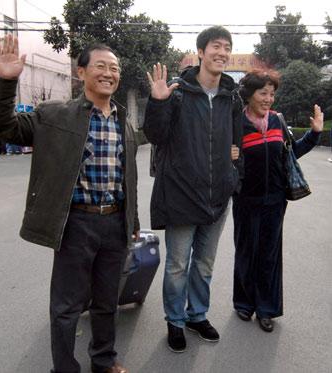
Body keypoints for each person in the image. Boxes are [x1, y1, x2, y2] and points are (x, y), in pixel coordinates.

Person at [0, 34, 140, 373]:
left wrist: (133, 224)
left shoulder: (123, 122)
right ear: (80, 72)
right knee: (66, 307)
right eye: (100, 66)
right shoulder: (54, 115)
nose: (109, 73)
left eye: (114, 68)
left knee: (106, 302)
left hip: (114, 223)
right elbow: (4, 127)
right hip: (76, 223)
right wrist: (7, 82)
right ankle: (65, 368)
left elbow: (129, 178)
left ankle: (103, 360)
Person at [143, 26, 242, 352]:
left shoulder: (231, 96)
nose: (222, 53)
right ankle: (175, 321)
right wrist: (158, 102)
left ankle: (197, 314)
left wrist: (233, 174)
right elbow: (156, 135)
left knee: (204, 264)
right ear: (201, 52)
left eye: (227, 48)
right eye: (216, 46)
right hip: (182, 193)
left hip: (217, 196)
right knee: (177, 265)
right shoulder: (179, 92)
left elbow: (236, 141)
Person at [232, 69, 324, 332]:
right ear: (249, 95)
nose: (269, 99)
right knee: (246, 251)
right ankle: (243, 303)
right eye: (263, 93)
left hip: (275, 200)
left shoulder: (278, 122)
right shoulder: (237, 124)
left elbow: (291, 153)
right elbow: (224, 161)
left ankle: (266, 308)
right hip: (245, 199)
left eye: (272, 94)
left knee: (269, 254)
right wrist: (229, 159)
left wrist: (315, 133)